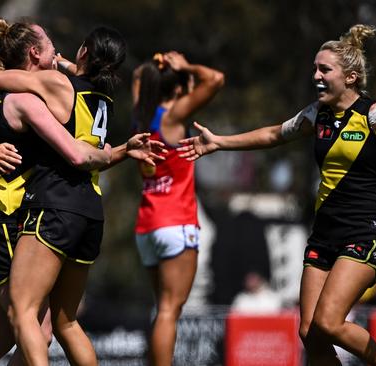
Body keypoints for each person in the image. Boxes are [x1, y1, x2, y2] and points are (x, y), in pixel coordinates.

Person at [178, 24, 376, 366]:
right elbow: (273, 134)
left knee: (329, 323)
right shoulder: (318, 115)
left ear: (351, 77)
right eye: (314, 67)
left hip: (364, 233)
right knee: (310, 333)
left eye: (324, 69)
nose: (315, 75)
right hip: (324, 235)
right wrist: (220, 142)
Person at [0, 27, 157, 366]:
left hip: (54, 205)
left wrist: (48, 67)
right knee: (65, 321)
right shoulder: (104, 97)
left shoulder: (58, 84)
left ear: (84, 53)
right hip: (89, 211)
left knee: (22, 309)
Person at [0, 17, 114, 366]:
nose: (58, 51)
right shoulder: (27, 100)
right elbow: (74, 153)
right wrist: (113, 152)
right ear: (35, 52)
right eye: (51, 44)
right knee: (32, 330)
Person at [131, 51, 224, 365]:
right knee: (170, 311)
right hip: (176, 223)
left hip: (147, 225)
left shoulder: (141, 116)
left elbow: (138, 77)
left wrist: (158, 66)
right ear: (180, 88)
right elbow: (216, 79)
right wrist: (188, 67)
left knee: (162, 308)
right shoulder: (171, 118)